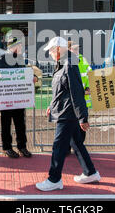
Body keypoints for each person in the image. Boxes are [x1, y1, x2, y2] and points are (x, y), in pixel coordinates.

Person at [36, 37, 100, 191]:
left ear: (58, 49)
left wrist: (82, 117)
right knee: (76, 142)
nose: (50, 53)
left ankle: (54, 179)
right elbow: (61, 90)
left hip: (67, 112)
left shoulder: (69, 64)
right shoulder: (64, 63)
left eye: (51, 50)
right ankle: (90, 172)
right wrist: (52, 105)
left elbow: (76, 92)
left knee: (58, 146)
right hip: (64, 110)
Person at [0, 37, 33, 159]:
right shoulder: (2, 58)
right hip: (6, 98)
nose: (21, 48)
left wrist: (33, 76)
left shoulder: (20, 59)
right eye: (19, 46)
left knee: (21, 123)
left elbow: (25, 72)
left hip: (18, 97)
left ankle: (22, 146)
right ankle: (7, 147)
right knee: (6, 124)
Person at [67, 41, 92, 154]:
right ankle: (67, 148)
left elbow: (90, 75)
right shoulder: (65, 62)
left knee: (82, 126)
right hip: (69, 102)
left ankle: (79, 148)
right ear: (68, 50)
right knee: (68, 126)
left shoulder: (83, 60)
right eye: (74, 49)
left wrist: (89, 88)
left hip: (82, 102)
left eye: (77, 49)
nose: (76, 51)